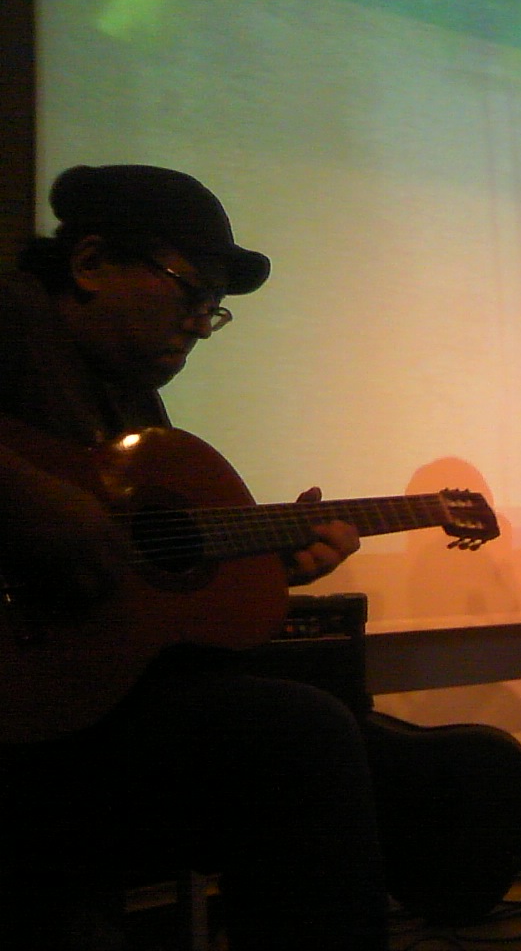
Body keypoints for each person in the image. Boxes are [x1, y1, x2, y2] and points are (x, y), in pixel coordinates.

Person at [0, 165, 387, 950]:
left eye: (215, 310)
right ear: (90, 262)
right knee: (303, 736)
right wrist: (21, 495)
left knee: (329, 734)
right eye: (190, 292)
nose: (200, 325)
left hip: (68, 708)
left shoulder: (132, 406)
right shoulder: (13, 317)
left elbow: (135, 583)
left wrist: (268, 571)